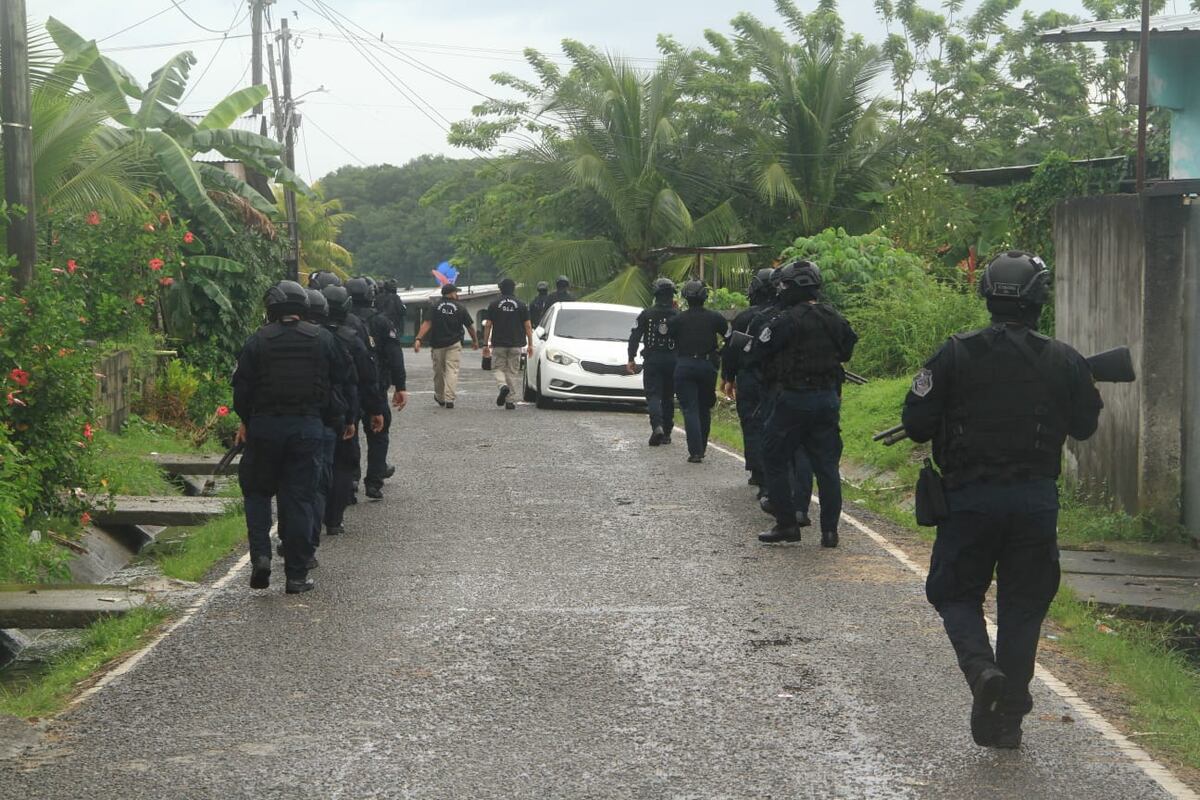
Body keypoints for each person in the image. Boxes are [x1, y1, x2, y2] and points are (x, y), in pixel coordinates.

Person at [901, 251, 1102, 749]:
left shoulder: (953, 353)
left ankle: (981, 672)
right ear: (1038, 298)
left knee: (954, 594)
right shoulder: (1064, 359)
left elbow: (916, 424)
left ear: (988, 295)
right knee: (1024, 606)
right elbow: (1084, 426)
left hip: (970, 498)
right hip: (1034, 502)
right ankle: (1006, 718)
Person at [232, 280, 349, 594]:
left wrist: (246, 420)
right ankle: (296, 576)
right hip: (307, 430)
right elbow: (340, 380)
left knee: (257, 493)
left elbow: (241, 389)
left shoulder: (257, 341)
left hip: (264, 430)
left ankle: (260, 556)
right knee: (298, 500)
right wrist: (332, 417)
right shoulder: (323, 339)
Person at [755, 260, 857, 548]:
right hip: (827, 399)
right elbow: (847, 350)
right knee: (827, 465)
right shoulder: (834, 318)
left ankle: (787, 524)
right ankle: (829, 532)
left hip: (793, 399)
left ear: (795, 287)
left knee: (774, 456)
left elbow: (761, 350)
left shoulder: (785, 320)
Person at [321, 284, 385, 536]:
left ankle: (302, 527)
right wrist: (375, 409)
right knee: (343, 464)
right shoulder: (352, 336)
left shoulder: (312, 336)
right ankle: (334, 519)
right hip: (345, 411)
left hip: (314, 412)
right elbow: (368, 377)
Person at [347, 277, 408, 500]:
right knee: (378, 433)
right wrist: (400, 385)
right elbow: (394, 355)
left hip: (349, 388)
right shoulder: (381, 322)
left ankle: (351, 478)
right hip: (375, 385)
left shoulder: (343, 322)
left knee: (348, 432)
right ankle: (374, 481)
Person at [721, 268, 776, 484]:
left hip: (750, 377)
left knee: (751, 422)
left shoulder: (745, 318)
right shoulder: (784, 314)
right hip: (778, 380)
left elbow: (732, 349)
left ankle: (758, 471)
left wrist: (728, 376)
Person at [667, 280, 729, 463]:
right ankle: (701, 447)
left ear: (686, 297)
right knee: (704, 408)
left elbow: (668, 335)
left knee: (690, 409)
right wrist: (719, 353)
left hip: (685, 365)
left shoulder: (677, 319)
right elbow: (730, 337)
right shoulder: (715, 317)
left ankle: (695, 451)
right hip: (707, 365)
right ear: (705, 296)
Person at [627, 277, 678, 445]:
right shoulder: (678, 315)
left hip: (653, 359)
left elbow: (634, 336)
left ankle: (657, 426)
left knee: (654, 395)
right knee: (669, 395)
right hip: (673, 359)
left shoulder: (646, 314)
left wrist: (631, 357)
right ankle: (668, 432)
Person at [414, 283, 479, 408]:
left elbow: (427, 323)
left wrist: (418, 339)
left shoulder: (435, 306)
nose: (457, 295)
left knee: (438, 372)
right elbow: (469, 326)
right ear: (451, 293)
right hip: (454, 343)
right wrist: (475, 340)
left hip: (437, 344)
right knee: (452, 371)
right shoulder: (460, 307)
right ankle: (450, 399)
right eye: (456, 292)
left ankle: (440, 397)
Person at [483, 278, 533, 410]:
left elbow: (488, 324)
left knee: (498, 368)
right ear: (513, 288)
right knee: (512, 371)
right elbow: (528, 326)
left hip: (498, 343)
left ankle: (502, 386)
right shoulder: (521, 305)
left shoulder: (493, 304)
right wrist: (531, 345)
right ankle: (510, 401)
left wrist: (485, 344)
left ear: (500, 289)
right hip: (516, 344)